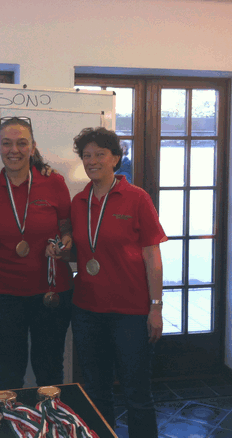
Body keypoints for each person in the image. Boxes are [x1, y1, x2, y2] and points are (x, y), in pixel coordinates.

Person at [66, 127, 166, 438]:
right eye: (87, 155)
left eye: (100, 154)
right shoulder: (78, 201)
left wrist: (156, 307)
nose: (92, 161)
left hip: (130, 312)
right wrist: (61, 249)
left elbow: (152, 255)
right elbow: (83, 252)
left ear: (115, 158)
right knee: (96, 392)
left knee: (137, 394)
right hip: (87, 311)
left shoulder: (137, 198)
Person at [0, 116, 73, 391]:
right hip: (2, 296)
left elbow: (67, 230)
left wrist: (63, 244)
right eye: (7, 143)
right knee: (8, 373)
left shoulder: (54, 183)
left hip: (51, 293)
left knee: (50, 371)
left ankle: (50, 417)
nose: (14, 150)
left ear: (33, 147)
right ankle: (10, 418)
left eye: (21, 143)